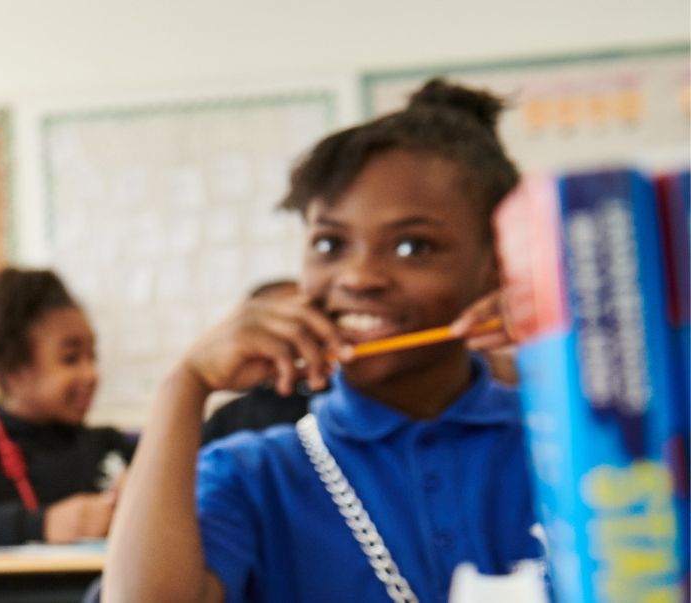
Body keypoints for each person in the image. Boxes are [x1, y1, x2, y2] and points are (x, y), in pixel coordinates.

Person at [104, 79, 538, 603]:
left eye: (412, 246)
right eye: (329, 244)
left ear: (498, 264)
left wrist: (563, 349)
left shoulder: (562, 438)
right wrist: (186, 383)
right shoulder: (252, 475)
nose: (358, 277)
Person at [0, 267, 134, 547]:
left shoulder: (109, 444)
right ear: (13, 368)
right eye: (71, 359)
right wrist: (42, 524)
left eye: (91, 356)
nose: (91, 374)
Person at [198, 280, 316, 447]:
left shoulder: (341, 400)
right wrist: (194, 382)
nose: (297, 331)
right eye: (283, 320)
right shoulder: (232, 416)